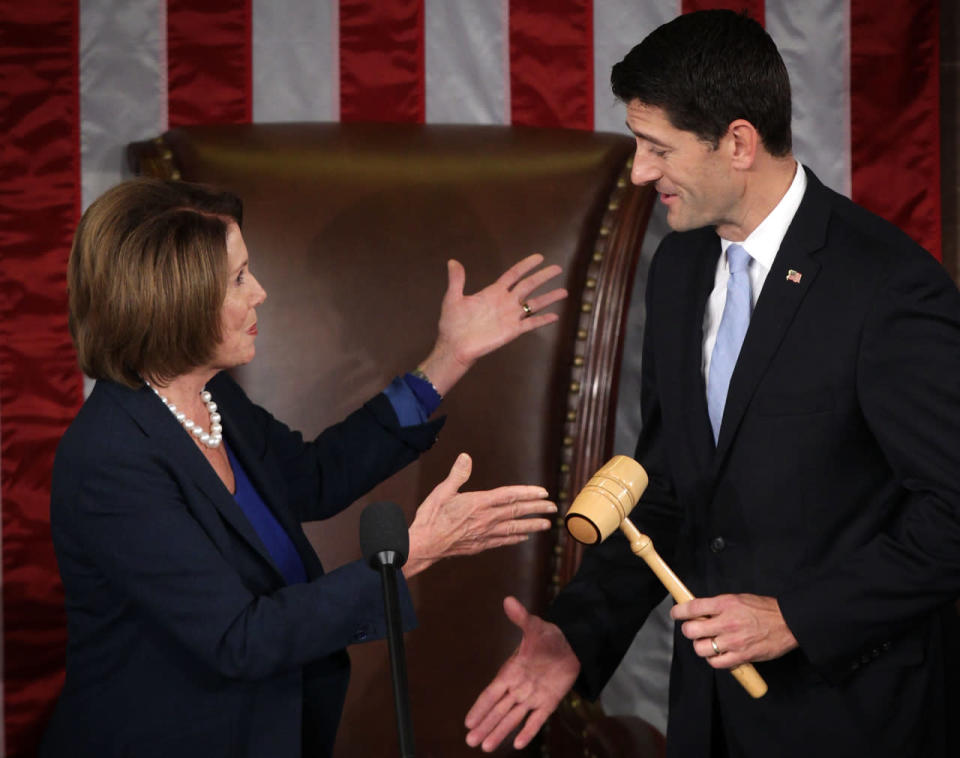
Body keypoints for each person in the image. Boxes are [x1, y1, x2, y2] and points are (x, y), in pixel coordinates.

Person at [465, 10, 960, 758]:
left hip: (854, 719)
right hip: (708, 721)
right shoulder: (681, 268)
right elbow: (670, 487)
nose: (636, 171)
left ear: (737, 142)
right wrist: (576, 635)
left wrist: (796, 615)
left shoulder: (887, 288)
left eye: (656, 147)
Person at [41, 177, 568, 758]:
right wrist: (411, 554)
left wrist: (448, 358)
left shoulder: (215, 400)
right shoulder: (110, 461)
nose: (260, 292)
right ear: (174, 301)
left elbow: (316, 477)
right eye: (238, 278)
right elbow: (238, 636)